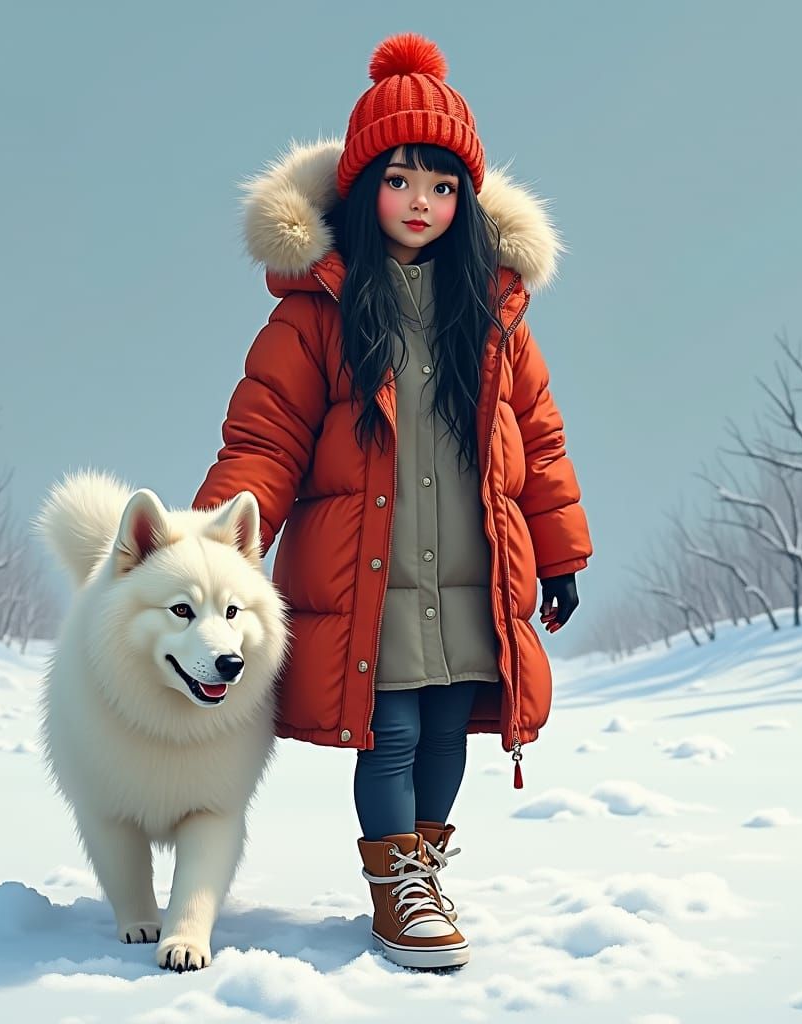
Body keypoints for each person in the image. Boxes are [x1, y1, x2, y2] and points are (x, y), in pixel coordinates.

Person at [192, 31, 593, 971]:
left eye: (444, 186)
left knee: (451, 728)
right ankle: (396, 887)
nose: (422, 203)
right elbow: (266, 436)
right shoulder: (317, 312)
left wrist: (562, 547)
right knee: (395, 728)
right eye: (402, 179)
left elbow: (538, 437)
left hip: (469, 570)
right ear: (362, 188)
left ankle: (427, 860)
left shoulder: (493, 316)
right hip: (368, 572)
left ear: (468, 202)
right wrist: (215, 549)